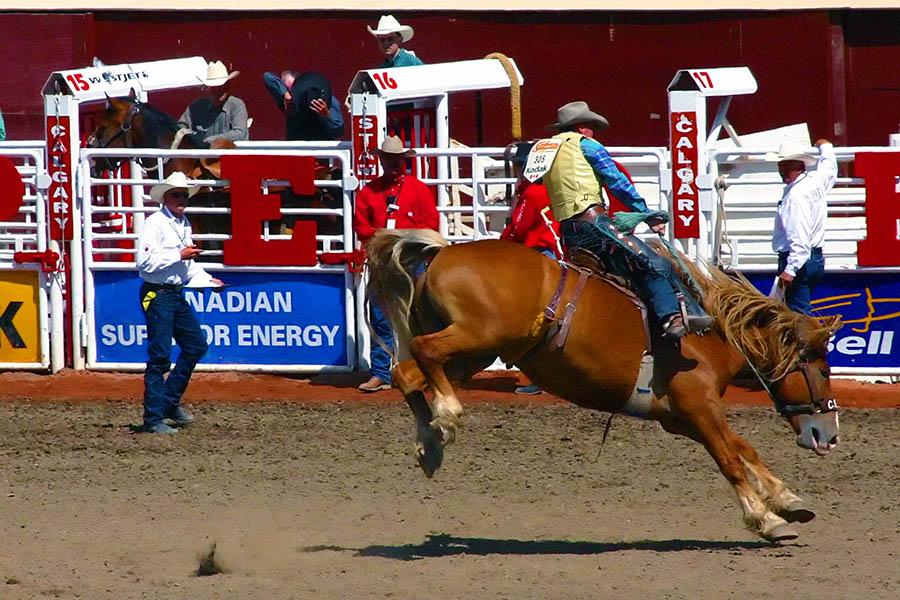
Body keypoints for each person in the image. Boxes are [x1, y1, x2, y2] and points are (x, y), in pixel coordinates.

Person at [542, 101, 713, 339]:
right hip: (594, 224)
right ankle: (671, 317)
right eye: (591, 126)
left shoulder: (547, 150)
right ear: (581, 127)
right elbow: (617, 181)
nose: (593, 132)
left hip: (569, 232)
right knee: (655, 263)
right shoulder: (587, 145)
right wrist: (646, 214)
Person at [136, 172, 225, 434]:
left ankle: (167, 404)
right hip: (158, 294)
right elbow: (144, 263)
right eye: (176, 195)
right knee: (160, 357)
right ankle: (154, 417)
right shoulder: (155, 223)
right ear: (165, 197)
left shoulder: (182, 223)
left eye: (184, 195)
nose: (182, 199)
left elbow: (187, 265)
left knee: (195, 346)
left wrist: (207, 280)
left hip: (172, 293)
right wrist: (179, 254)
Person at [354, 136, 439, 392]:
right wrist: (385, 238)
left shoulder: (418, 190)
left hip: (411, 259)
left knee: (417, 315)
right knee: (380, 317)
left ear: (403, 160)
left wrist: (401, 239)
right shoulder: (369, 192)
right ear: (381, 160)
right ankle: (381, 372)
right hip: (383, 261)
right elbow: (361, 227)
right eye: (387, 158)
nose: (391, 162)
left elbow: (431, 224)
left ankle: (420, 371)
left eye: (395, 159)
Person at [500, 142, 560, 394]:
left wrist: (500, 245)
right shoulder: (545, 190)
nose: (518, 170)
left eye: (520, 166)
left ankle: (541, 375)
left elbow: (518, 228)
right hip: (550, 253)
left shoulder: (532, 194)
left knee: (533, 316)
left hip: (537, 255)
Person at [769, 138, 836, 315]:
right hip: (815, 258)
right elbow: (829, 169)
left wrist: (790, 270)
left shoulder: (795, 196)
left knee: (798, 316)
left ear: (798, 166)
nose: (781, 171)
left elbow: (799, 236)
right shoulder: (815, 182)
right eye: (781, 166)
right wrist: (825, 146)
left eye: (785, 166)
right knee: (796, 312)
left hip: (798, 261)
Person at [179, 60, 249, 146]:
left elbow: (240, 133)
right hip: (203, 154)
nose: (218, 91)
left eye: (221, 87)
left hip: (231, 154)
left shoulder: (236, 105)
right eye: (213, 88)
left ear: (228, 86)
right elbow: (181, 128)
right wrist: (192, 137)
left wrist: (209, 140)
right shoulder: (196, 107)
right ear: (207, 89)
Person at [262, 70, 344, 141]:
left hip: (320, 148)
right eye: (289, 89)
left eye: (295, 88)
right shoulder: (288, 102)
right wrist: (285, 94)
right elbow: (267, 77)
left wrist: (326, 116)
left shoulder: (326, 99)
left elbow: (338, 132)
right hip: (297, 149)